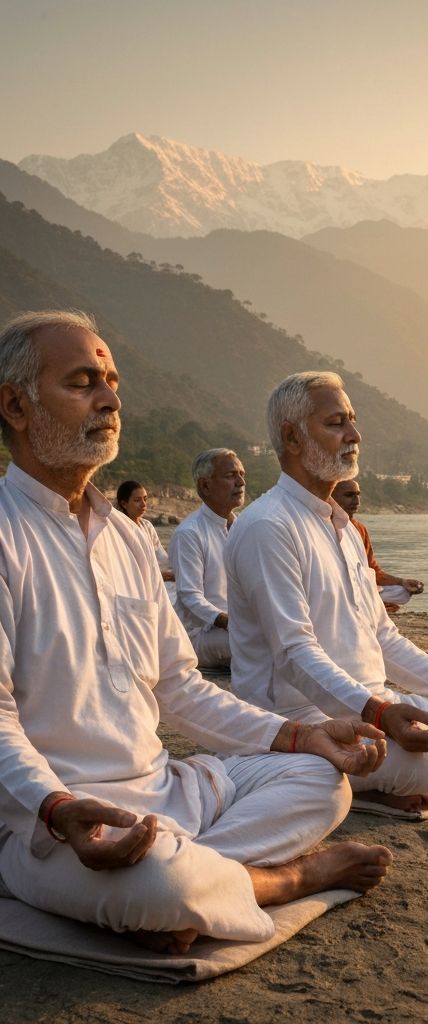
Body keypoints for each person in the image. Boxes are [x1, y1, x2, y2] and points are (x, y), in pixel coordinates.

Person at [0, 311, 392, 955]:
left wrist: (300, 735)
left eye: (112, 381)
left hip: (165, 789)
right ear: (16, 405)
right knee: (158, 884)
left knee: (321, 779)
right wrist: (54, 808)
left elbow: (179, 688)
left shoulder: (129, 537)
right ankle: (280, 878)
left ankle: (194, 880)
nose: (109, 399)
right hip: (61, 821)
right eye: (81, 383)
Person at [226, 371, 428, 813]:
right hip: (303, 717)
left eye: (352, 420)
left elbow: (383, 636)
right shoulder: (269, 527)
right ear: (291, 438)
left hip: (373, 703)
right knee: (420, 764)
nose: (354, 434)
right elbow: (294, 654)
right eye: (336, 424)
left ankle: (401, 782)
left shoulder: (344, 529)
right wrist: (379, 714)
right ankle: (413, 778)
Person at [168, 448, 245, 669]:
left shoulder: (243, 527)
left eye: (242, 474)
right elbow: (190, 596)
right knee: (263, 644)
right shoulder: (189, 533)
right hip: (202, 634)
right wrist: (230, 622)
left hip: (240, 627)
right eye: (231, 475)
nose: (240, 482)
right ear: (205, 485)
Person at [333, 479, 424, 612]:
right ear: (332, 497)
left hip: (361, 587)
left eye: (358, 495)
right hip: (337, 587)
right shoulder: (326, 526)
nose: (357, 501)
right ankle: (368, 601)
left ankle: (368, 600)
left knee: (402, 593)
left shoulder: (360, 529)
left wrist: (402, 582)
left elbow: (372, 569)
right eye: (349, 495)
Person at [116, 479, 174, 581]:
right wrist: (159, 575)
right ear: (124, 504)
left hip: (153, 578)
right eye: (137, 500)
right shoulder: (118, 529)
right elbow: (123, 565)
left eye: (145, 499)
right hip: (132, 581)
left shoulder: (147, 526)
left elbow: (162, 557)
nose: (143, 504)